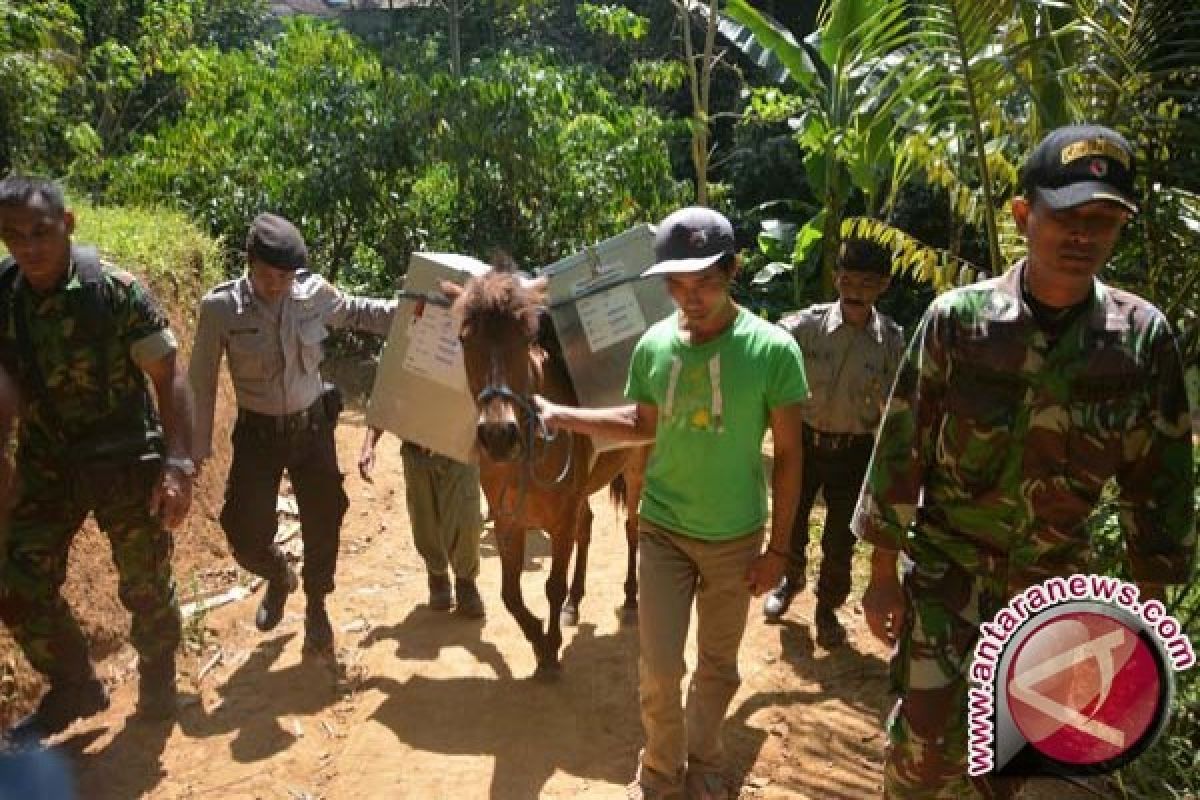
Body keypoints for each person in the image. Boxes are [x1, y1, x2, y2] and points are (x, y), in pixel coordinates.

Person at [852, 124, 1196, 797]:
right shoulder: (960, 321)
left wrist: (1144, 620)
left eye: (1103, 220)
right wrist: (882, 572)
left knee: (1019, 771)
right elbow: (903, 448)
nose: (1082, 236)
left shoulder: (1138, 339)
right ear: (1022, 216)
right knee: (922, 761)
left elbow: (1159, 488)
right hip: (947, 586)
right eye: (1066, 215)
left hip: (1054, 596)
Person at [536, 207, 808, 800]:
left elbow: (789, 455)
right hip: (662, 531)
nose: (692, 298)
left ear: (732, 272)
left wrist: (780, 549)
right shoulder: (653, 347)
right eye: (678, 285)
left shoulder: (773, 351)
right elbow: (638, 422)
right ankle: (661, 770)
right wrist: (560, 415)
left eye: (706, 281)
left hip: (735, 538)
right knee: (660, 669)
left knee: (716, 666)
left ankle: (705, 762)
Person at [0, 175, 195, 741]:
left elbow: (168, 375)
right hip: (47, 462)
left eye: (41, 231)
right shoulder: (5, 297)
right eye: (13, 236)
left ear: (68, 225)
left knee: (144, 578)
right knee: (16, 576)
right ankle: (73, 683)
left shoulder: (113, 291)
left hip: (123, 454)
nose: (29, 247)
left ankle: (158, 671)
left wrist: (178, 465)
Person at [189, 213, 395, 658]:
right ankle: (279, 576)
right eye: (267, 275)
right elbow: (201, 382)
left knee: (325, 517)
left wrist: (416, 312)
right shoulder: (221, 309)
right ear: (249, 263)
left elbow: (362, 312)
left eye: (285, 277)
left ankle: (317, 604)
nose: (276, 285)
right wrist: (193, 452)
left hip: (311, 429)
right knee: (244, 532)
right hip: (258, 435)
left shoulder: (312, 295)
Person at [763, 238, 905, 647]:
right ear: (835, 279)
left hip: (855, 452)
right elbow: (766, 346)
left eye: (867, 283)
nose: (855, 291)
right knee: (790, 525)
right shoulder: (806, 327)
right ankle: (789, 583)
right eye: (847, 280)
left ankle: (827, 609)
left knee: (841, 541)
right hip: (803, 446)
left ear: (884, 286)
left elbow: (904, 402)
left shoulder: (892, 342)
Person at [357, 428, 485, 617]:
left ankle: (466, 584)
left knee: (467, 519)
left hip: (459, 451)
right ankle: (437, 576)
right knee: (425, 523)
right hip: (416, 455)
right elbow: (383, 404)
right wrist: (368, 446)